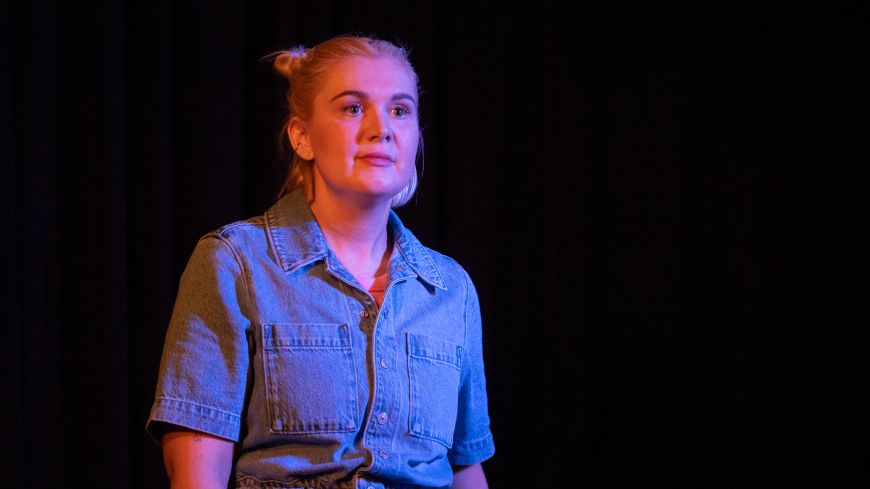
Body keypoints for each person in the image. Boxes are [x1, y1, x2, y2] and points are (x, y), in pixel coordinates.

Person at [145, 34, 495, 489]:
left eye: (399, 110)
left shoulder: (450, 288)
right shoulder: (236, 263)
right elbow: (196, 471)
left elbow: (465, 467)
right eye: (353, 108)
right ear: (302, 136)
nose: (381, 129)